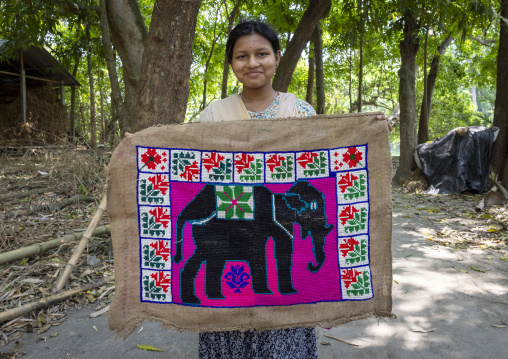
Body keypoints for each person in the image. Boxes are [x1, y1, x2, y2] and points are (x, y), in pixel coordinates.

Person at [195, 20, 390, 359]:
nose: (252, 63)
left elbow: (324, 162)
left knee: (284, 277)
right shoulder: (214, 115)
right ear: (231, 63)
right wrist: (138, 147)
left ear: (277, 57)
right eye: (242, 56)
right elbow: (187, 161)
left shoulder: (299, 111)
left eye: (261, 54)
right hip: (231, 223)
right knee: (230, 311)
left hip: (279, 223)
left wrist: (369, 132)